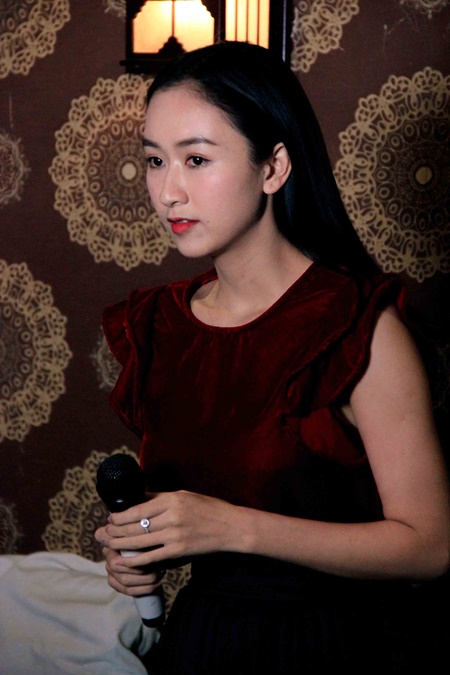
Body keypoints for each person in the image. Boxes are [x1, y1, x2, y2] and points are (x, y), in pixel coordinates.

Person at [95, 41, 450, 674]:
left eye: (196, 159)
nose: (167, 192)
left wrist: (233, 527)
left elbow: (429, 546)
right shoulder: (163, 327)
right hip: (203, 641)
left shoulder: (357, 327)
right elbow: (195, 511)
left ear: (274, 167)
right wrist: (147, 547)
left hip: (331, 646)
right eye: (153, 160)